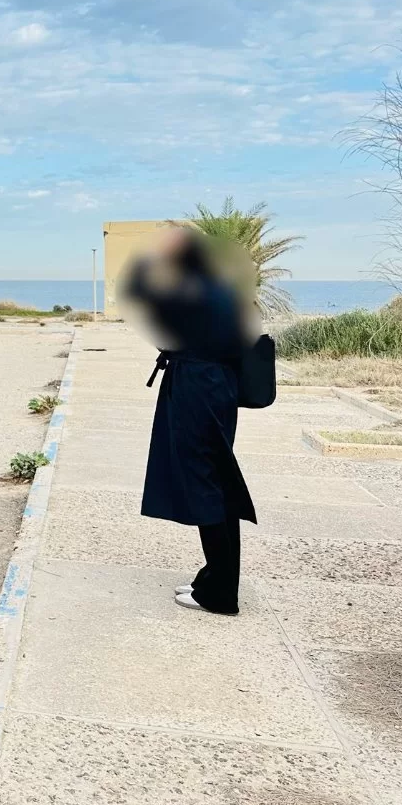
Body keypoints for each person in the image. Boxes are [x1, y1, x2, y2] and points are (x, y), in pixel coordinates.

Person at [121, 228, 258, 615]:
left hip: (196, 388)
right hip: (217, 386)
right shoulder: (218, 288)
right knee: (216, 480)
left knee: (204, 483)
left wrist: (147, 264)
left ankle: (220, 594)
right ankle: (215, 578)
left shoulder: (191, 291)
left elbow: (139, 295)